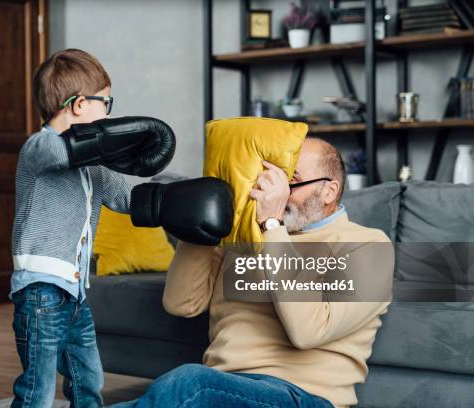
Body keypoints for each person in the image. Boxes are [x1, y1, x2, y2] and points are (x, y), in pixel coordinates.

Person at [113, 138, 393, 408]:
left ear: (329, 191)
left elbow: (308, 331)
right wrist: (200, 223)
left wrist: (272, 223)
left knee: (189, 385)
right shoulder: (244, 238)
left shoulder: (367, 245)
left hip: (302, 396)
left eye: (290, 182)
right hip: (224, 387)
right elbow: (180, 304)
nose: (275, 193)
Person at [10, 49, 177, 408]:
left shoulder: (93, 168)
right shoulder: (38, 149)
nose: (109, 112)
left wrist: (180, 200)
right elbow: (57, 152)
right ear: (80, 104)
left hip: (75, 294)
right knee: (37, 390)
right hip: (40, 291)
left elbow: (129, 200)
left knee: (89, 378)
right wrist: (115, 140)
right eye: (107, 102)